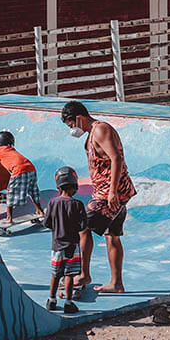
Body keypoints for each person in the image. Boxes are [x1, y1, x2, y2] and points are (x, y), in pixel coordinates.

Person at [60, 100, 137, 294]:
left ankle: (84, 274)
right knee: (112, 236)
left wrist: (112, 192)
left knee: (82, 227)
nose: (71, 130)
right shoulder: (92, 133)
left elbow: (116, 158)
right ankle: (116, 283)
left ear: (79, 118)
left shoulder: (101, 130)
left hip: (111, 193)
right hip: (114, 191)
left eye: (71, 125)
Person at [43, 166, 87, 313]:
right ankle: (68, 303)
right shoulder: (78, 205)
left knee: (55, 275)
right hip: (72, 247)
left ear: (58, 186)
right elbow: (83, 226)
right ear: (75, 186)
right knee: (69, 275)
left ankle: (51, 300)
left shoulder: (52, 203)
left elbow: (46, 223)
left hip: (56, 246)